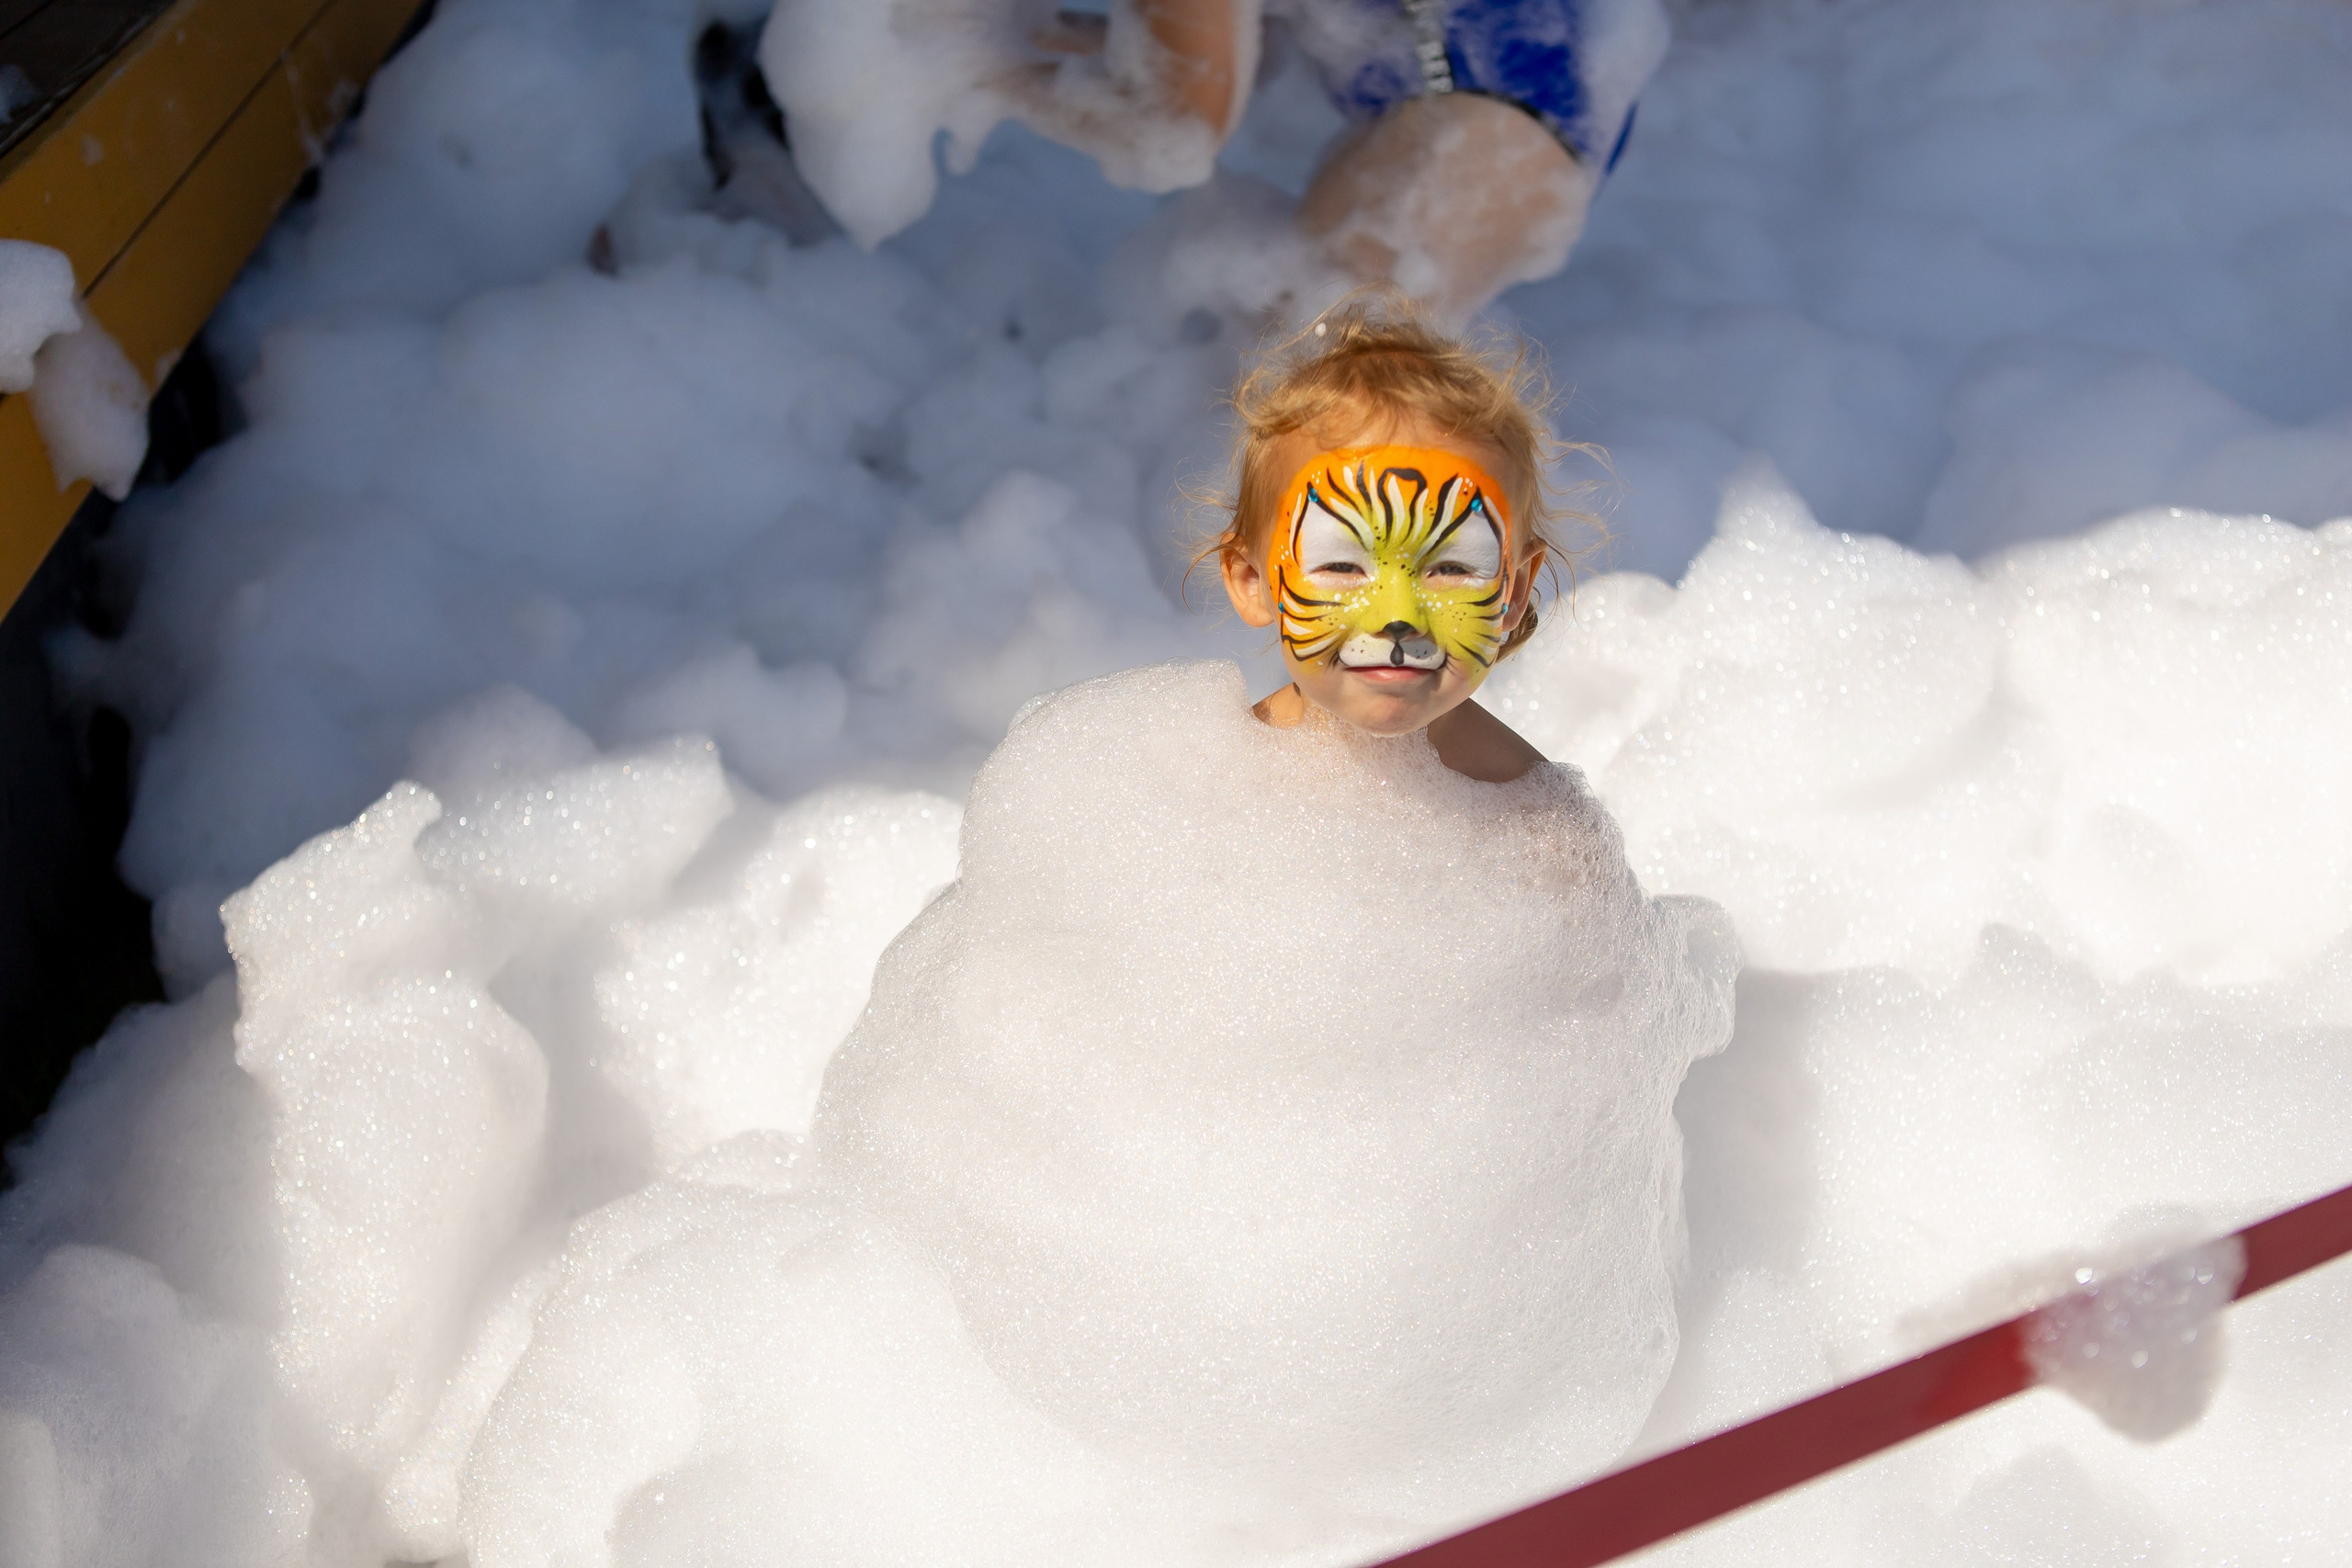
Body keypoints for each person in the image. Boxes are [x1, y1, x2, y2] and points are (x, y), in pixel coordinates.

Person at [757, 0, 1668, 319]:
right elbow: (1227, 58)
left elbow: (1174, 128)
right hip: (1547, 65)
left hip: (1491, 127)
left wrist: (978, 60)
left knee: (1304, 442)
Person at [1200, 297, 1573, 770]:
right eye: (1341, 565)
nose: (1397, 616)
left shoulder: (1538, 827)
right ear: (1254, 581)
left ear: (1513, 590)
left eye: (1451, 567)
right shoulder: (1210, 782)